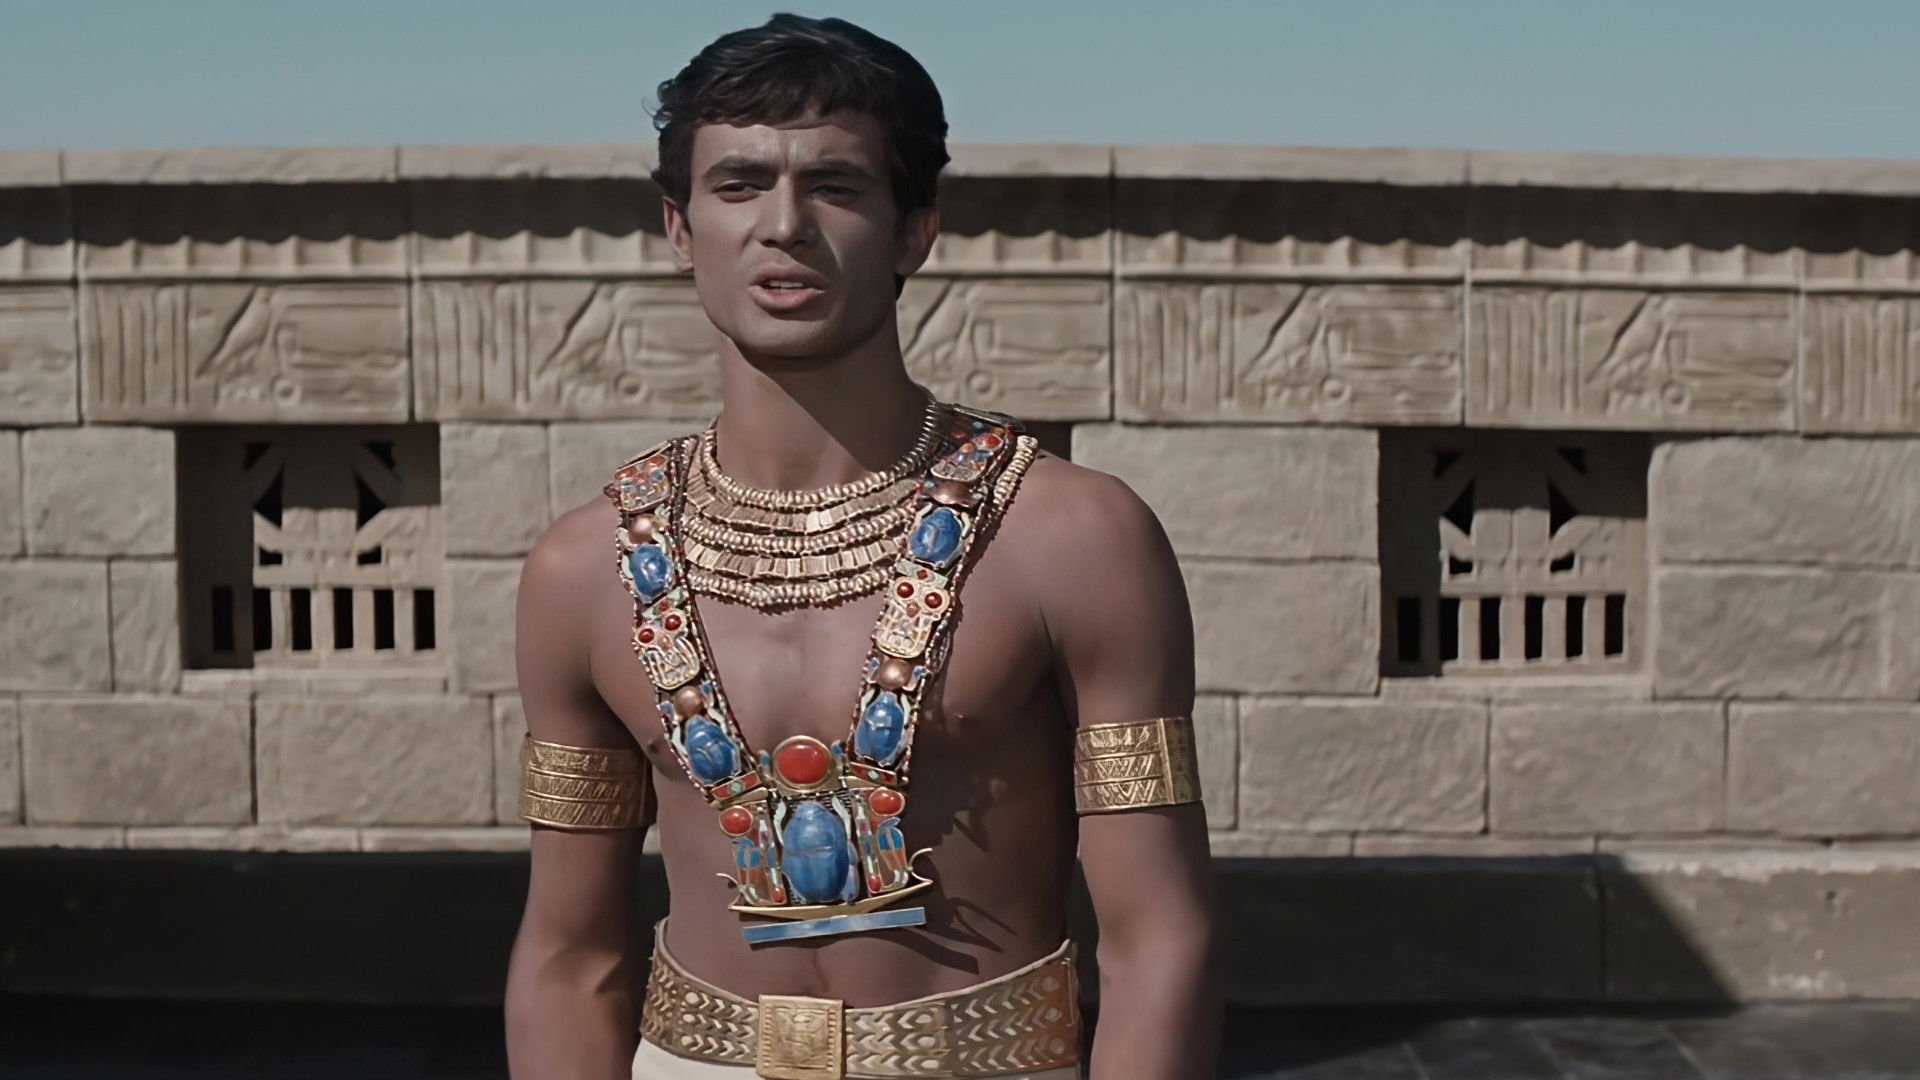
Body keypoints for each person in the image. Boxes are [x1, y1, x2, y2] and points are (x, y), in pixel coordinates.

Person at [502, 14, 1219, 1079]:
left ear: (914, 231)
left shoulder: (1076, 538)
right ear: (679, 227)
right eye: (740, 184)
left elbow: (1161, 941)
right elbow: (570, 958)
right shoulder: (581, 572)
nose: (784, 226)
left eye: (834, 186)